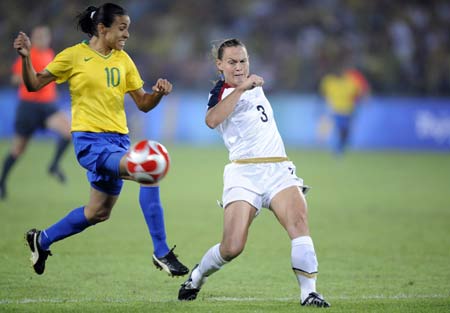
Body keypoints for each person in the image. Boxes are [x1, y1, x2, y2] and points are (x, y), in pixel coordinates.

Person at [13, 3, 188, 277]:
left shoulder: (123, 60)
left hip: (118, 142)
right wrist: (26, 58)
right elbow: (34, 84)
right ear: (102, 28)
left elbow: (142, 103)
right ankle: (161, 251)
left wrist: (157, 94)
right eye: (122, 28)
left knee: (97, 213)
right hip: (91, 144)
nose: (127, 34)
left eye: (127, 28)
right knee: (147, 169)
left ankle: (42, 240)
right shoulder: (74, 56)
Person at [178, 38, 330, 308]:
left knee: (299, 223)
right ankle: (197, 276)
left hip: (278, 168)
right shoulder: (221, 92)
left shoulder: (255, 85)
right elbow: (211, 120)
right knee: (232, 246)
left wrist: (248, 85)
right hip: (244, 173)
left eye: (243, 61)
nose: (239, 67)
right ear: (220, 65)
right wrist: (242, 89)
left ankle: (309, 293)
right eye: (232, 62)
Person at [0, 25, 71, 200]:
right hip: (29, 106)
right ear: (32, 38)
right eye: (38, 37)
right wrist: (33, 76)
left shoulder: (50, 54)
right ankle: (2, 182)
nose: (42, 40)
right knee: (18, 149)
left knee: (69, 132)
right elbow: (16, 78)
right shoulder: (27, 55)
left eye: (44, 36)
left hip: (48, 106)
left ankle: (53, 165)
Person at [319, 63, 370, 156]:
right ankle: (337, 150)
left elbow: (360, 92)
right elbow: (324, 94)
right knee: (339, 131)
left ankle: (340, 148)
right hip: (336, 111)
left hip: (348, 111)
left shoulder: (351, 82)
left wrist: (362, 100)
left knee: (346, 132)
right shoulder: (330, 81)